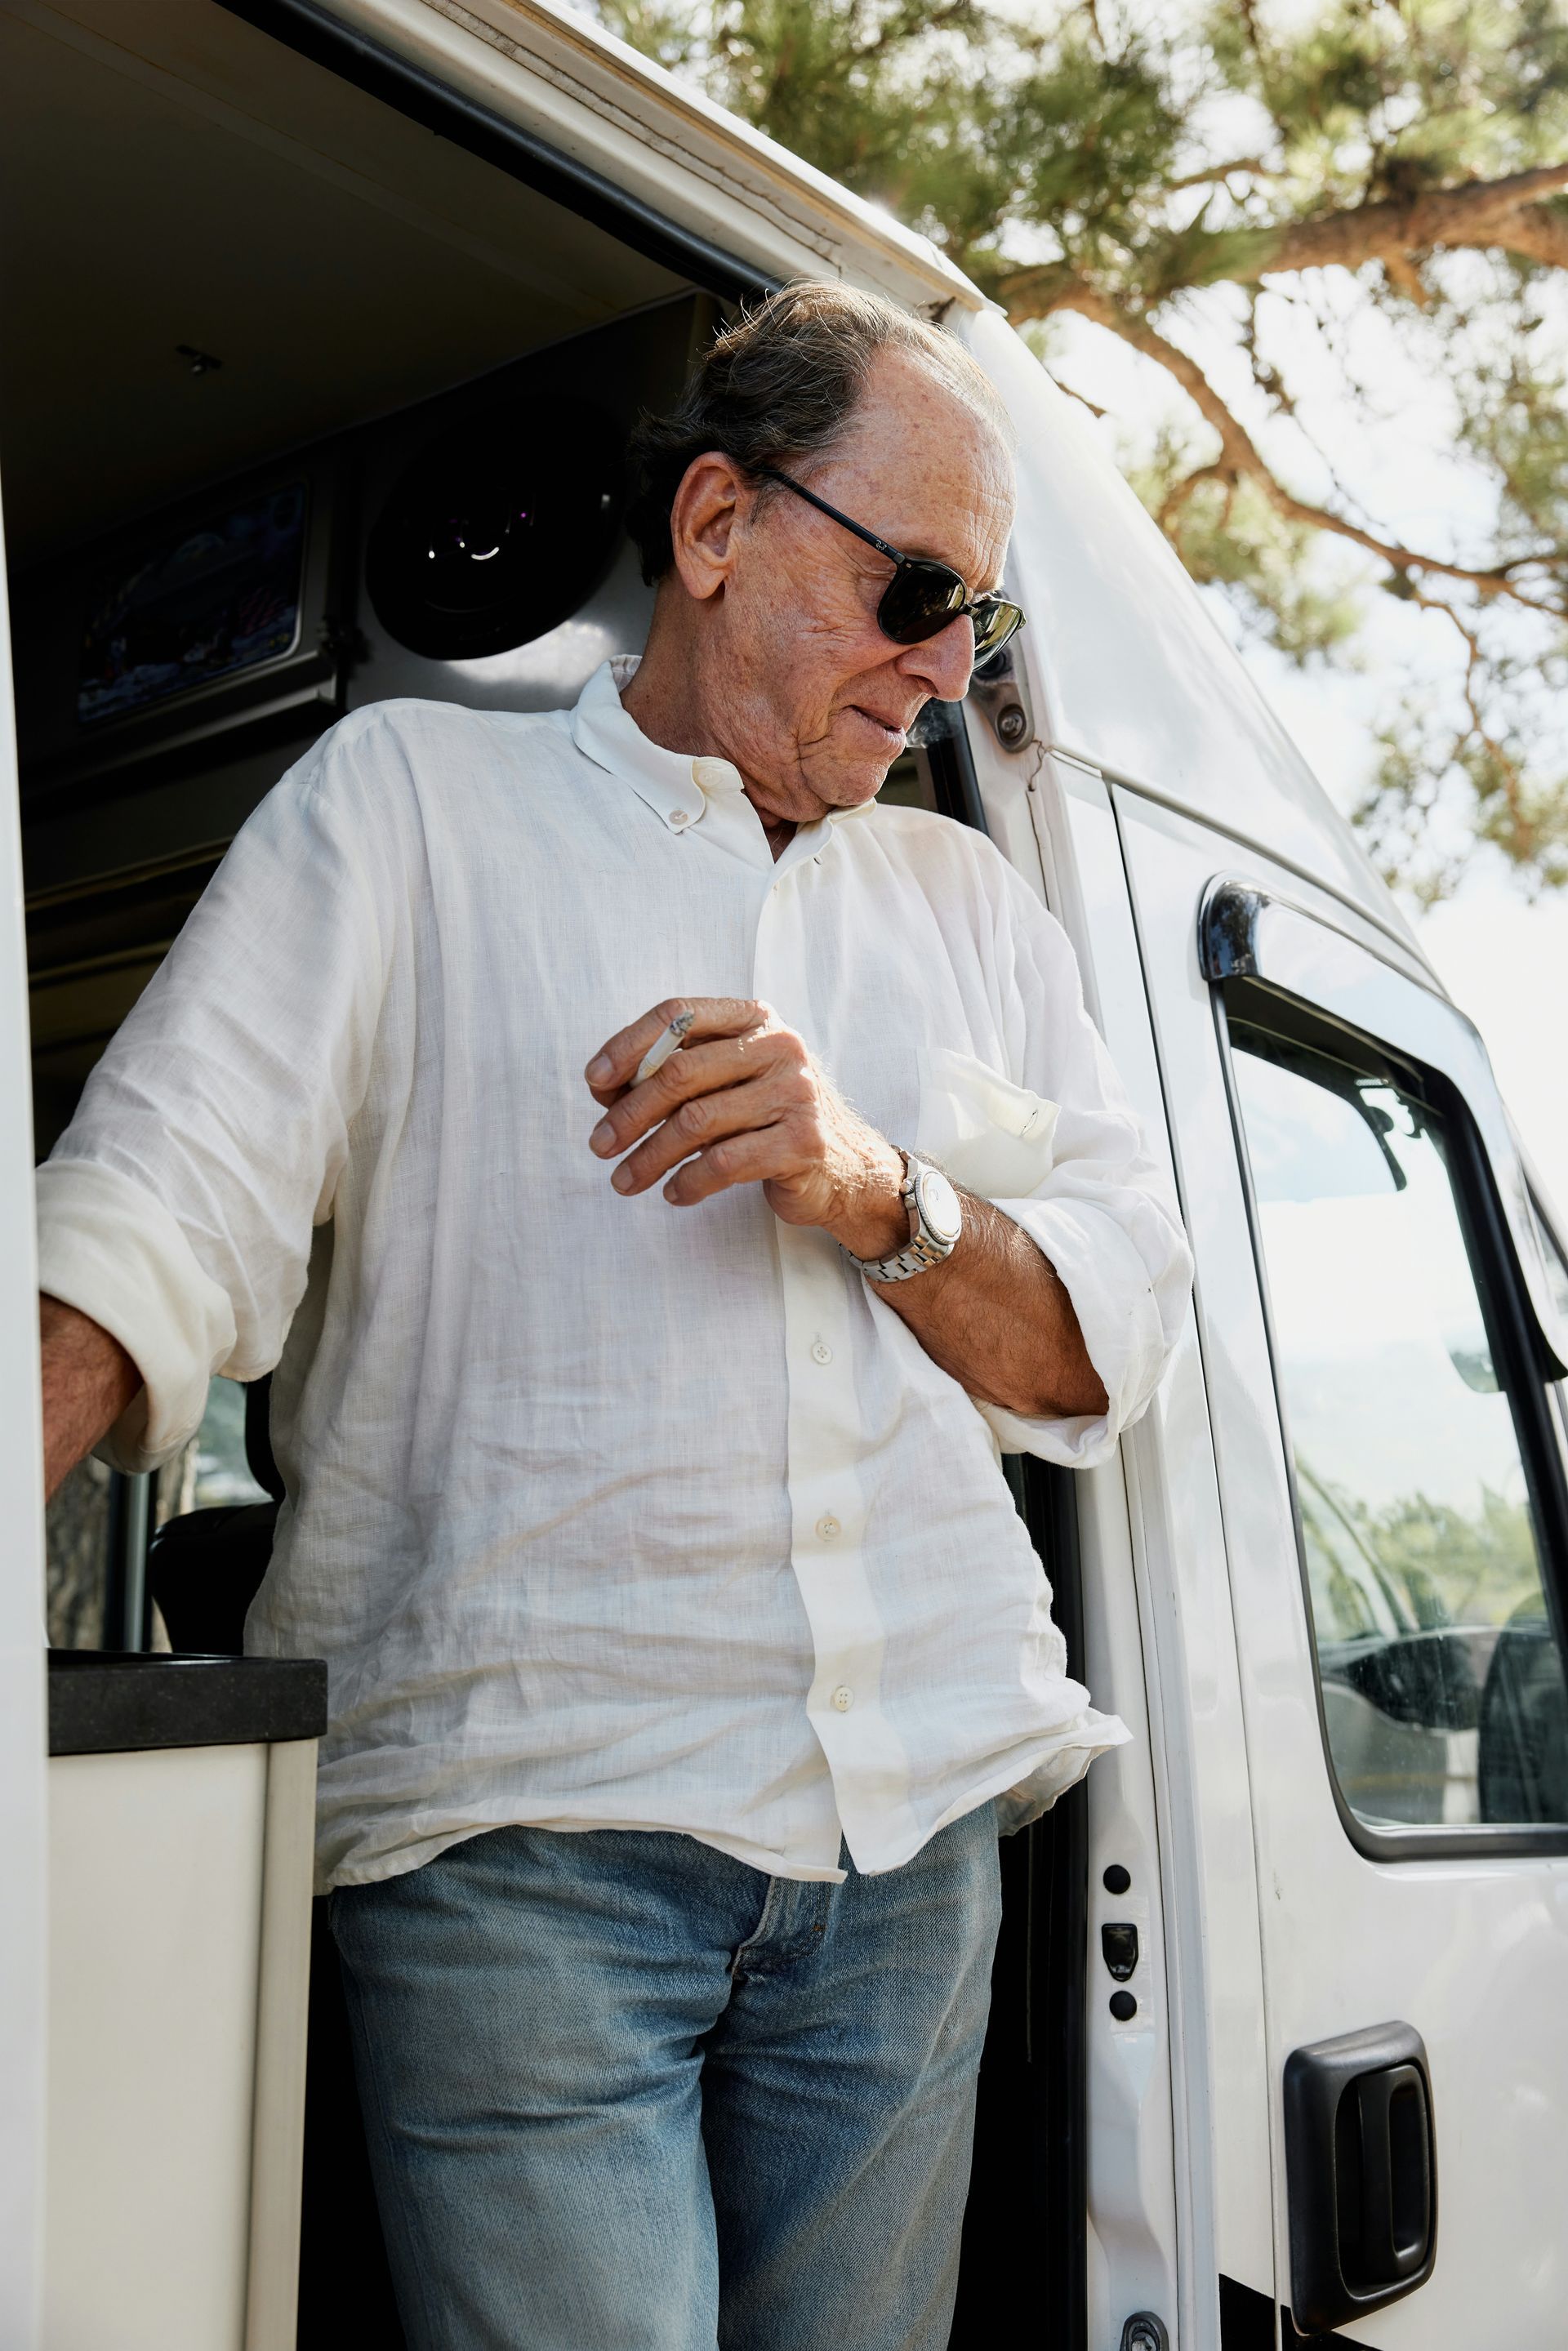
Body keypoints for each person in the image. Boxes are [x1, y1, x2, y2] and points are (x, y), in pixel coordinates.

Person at [36, 281, 1192, 2350]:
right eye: (918, 587)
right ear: (723, 524)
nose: (945, 667)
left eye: (982, 623)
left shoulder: (969, 913)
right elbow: (158, 1212)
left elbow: (1108, 1342)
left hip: (912, 1842)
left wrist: (882, 1190)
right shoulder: (403, 808)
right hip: (522, 1843)